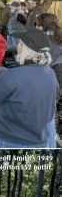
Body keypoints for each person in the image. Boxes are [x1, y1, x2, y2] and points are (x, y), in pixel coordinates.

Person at [0, 28, 58, 148]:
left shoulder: (10, 76)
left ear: (25, 49)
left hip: (10, 140)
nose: (17, 46)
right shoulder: (51, 74)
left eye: (20, 43)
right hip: (40, 141)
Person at [36, 12, 62, 147]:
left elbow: (41, 62)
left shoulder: (44, 38)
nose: (36, 27)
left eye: (38, 25)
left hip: (55, 75)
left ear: (42, 25)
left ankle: (50, 145)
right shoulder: (58, 33)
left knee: (49, 113)